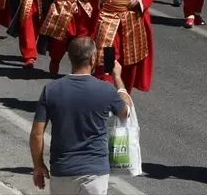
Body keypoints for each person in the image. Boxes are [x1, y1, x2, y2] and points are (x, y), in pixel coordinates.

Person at [30, 36, 131, 195]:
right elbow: (126, 112)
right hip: (94, 173)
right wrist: (117, 77)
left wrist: (38, 166)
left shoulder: (51, 90)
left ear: (69, 57)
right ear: (93, 59)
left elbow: (37, 134)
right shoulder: (106, 90)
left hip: (62, 170)